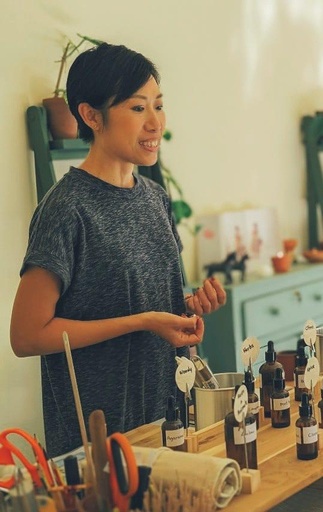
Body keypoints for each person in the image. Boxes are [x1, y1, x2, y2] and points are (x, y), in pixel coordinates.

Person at [10, 43, 226, 457]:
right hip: (99, 443)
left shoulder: (154, 198)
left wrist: (187, 308)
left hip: (167, 420)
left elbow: (142, 299)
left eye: (158, 106)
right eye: (136, 108)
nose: (155, 123)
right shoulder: (66, 209)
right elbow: (26, 336)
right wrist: (142, 321)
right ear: (91, 116)